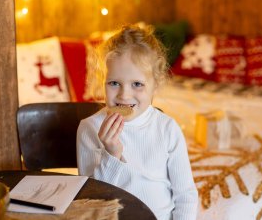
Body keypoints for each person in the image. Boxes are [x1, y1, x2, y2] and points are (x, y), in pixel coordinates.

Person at [76, 24, 198, 220]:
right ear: (103, 81)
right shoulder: (89, 128)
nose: (125, 95)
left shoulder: (167, 129)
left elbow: (185, 196)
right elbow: (93, 199)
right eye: (114, 83)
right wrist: (112, 154)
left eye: (137, 84)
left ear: (155, 85)